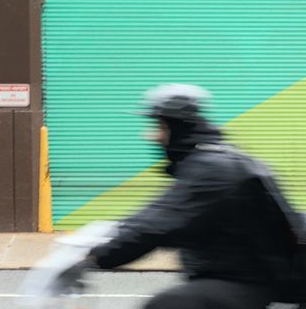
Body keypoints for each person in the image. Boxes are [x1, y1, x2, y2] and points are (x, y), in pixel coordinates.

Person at [59, 84, 305, 309]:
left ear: (177, 127)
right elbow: (155, 214)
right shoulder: (207, 162)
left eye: (160, 127)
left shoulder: (213, 168)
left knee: (170, 305)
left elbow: (158, 223)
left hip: (253, 283)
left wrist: (94, 256)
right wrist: (112, 233)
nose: (151, 136)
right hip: (240, 277)